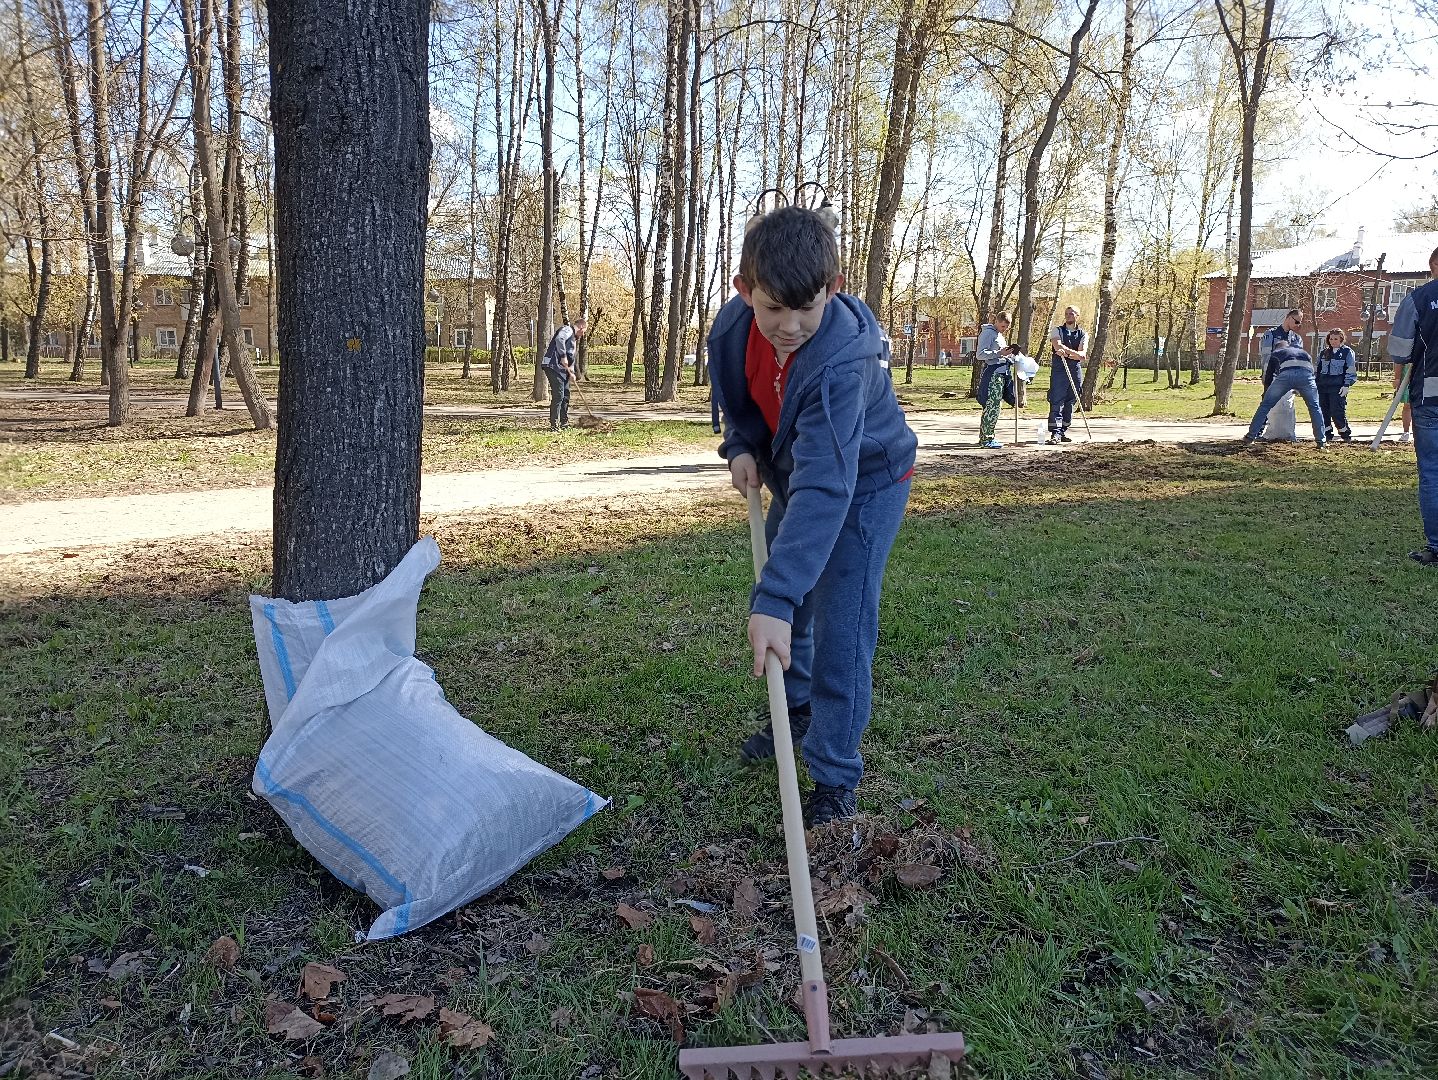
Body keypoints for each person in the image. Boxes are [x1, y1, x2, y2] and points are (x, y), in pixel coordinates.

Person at [707, 205, 918, 825]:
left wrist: (771, 598)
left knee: (839, 620)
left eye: (808, 308)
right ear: (745, 292)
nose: (790, 325)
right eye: (773, 309)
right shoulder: (732, 330)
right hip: (804, 478)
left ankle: (833, 776)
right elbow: (740, 400)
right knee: (787, 594)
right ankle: (792, 713)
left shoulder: (843, 365)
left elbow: (829, 486)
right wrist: (741, 445)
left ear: (834, 289)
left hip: (864, 484)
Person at [1387, 244, 1438, 565]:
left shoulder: (1418, 299)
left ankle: (1437, 546)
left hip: (1429, 396)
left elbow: (1400, 350)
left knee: (1432, 471)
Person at [1243, 310, 1326, 447]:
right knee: (1315, 407)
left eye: (1300, 322)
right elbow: (1266, 357)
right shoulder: (1271, 334)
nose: (1298, 325)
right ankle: (1321, 441)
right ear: (1288, 318)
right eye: (1296, 321)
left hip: (1284, 375)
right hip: (1305, 375)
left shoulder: (1294, 340)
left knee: (1266, 403)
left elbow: (1270, 364)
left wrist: (1267, 385)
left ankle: (1250, 436)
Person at [1047, 305, 1087, 444]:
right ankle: (1055, 433)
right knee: (1057, 400)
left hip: (1075, 370)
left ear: (1077, 315)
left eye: (1071, 313)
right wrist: (1073, 353)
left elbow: (1082, 355)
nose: (1068, 315)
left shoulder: (1082, 334)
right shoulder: (1057, 330)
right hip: (1060, 369)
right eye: (1066, 313)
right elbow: (1057, 346)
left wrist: (1068, 352)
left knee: (1071, 400)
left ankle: (1063, 430)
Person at [976, 311, 1015, 449]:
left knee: (995, 406)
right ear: (997, 321)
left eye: (1006, 327)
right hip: (993, 374)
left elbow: (1001, 353)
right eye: (1003, 326)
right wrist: (999, 353)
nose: (1004, 329)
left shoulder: (999, 335)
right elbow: (980, 354)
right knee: (992, 406)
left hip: (1002, 371)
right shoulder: (988, 333)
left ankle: (986, 436)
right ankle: (987, 439)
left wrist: (1010, 356)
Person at [541, 316, 586, 431]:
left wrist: (572, 372)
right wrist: (563, 356)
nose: (583, 335)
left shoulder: (573, 340)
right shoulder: (567, 330)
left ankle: (564, 423)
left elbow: (571, 357)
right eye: (583, 331)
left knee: (566, 395)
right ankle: (554, 424)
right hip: (552, 366)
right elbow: (559, 340)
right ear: (581, 327)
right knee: (559, 395)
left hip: (562, 370)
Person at [1315, 328, 1358, 442]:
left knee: (1336, 411)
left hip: (1337, 387)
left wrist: (1347, 385)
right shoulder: (1324, 353)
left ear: (1341, 340)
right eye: (1331, 339)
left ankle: (1345, 434)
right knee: (1323, 411)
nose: (1333, 341)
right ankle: (1327, 434)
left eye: (1336, 339)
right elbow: (1317, 370)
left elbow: (1350, 369)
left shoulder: (1347, 352)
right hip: (1322, 387)